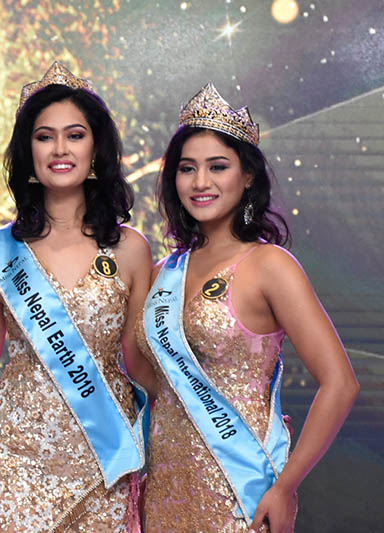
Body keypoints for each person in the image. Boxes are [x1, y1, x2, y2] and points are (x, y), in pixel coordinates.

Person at [137, 83, 359, 532]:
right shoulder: (163, 272)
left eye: (218, 167)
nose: (201, 183)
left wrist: (285, 487)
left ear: (248, 175)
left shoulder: (269, 265)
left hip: (240, 492)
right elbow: (148, 377)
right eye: (187, 169)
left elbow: (341, 384)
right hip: (162, 491)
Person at [0, 62, 152, 532]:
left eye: (75, 135)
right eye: (45, 137)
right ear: (28, 152)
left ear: (96, 147)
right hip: (16, 459)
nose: (60, 149)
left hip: (104, 455)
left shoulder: (131, 249)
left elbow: (142, 367)